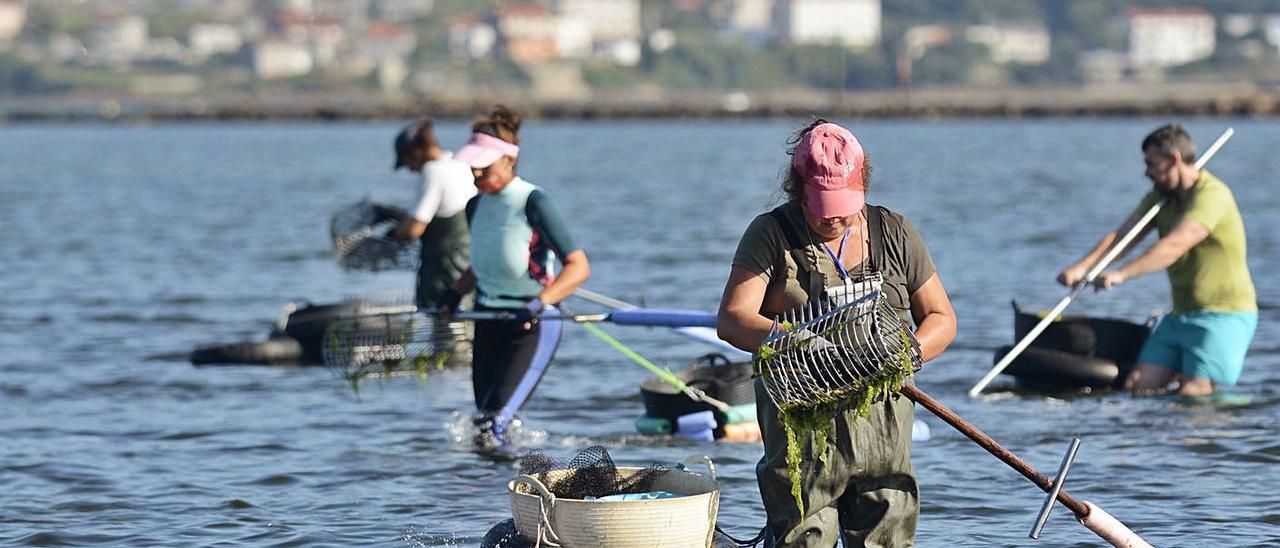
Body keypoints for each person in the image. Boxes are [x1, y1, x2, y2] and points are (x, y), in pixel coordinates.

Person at [717, 120, 956, 547]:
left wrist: (909, 354)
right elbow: (734, 319)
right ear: (798, 187)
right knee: (803, 537)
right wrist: (801, 343)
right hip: (803, 437)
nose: (836, 217)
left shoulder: (895, 232)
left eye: (846, 202)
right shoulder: (771, 234)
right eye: (822, 206)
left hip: (884, 432)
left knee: (888, 533)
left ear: (862, 182)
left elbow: (941, 317)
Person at [1058, 124, 1256, 397]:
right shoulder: (1160, 199)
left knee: (1194, 393)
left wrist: (1121, 274)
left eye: (1152, 164)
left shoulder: (1212, 195)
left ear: (1174, 159)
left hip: (1223, 316)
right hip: (1179, 316)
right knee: (1138, 387)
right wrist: (1083, 267)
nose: (1146, 172)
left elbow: (1174, 246)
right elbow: (1123, 236)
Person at [439, 105, 591, 450]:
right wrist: (452, 294)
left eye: (485, 167)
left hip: (531, 325)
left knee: (495, 425)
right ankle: (482, 498)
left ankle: (512, 493)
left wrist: (542, 303)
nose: (477, 174)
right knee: (482, 422)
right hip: (488, 317)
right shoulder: (475, 206)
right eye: (472, 168)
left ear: (509, 160)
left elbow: (578, 266)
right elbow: (484, 264)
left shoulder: (533, 202)